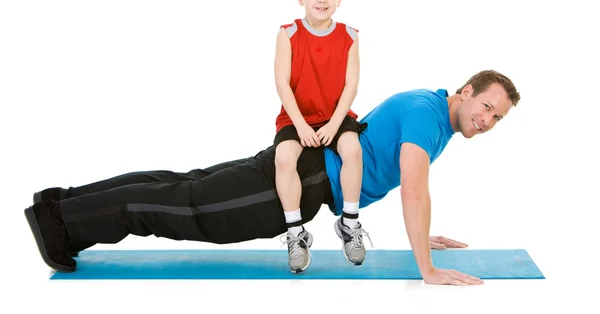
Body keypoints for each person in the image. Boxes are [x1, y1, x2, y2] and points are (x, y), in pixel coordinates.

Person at [25, 69, 520, 286]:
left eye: (497, 118)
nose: (488, 120)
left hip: (304, 168)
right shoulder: (429, 118)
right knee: (190, 208)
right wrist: (426, 268)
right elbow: (413, 188)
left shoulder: (433, 111)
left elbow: (387, 175)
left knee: (183, 187)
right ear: (467, 89)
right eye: (487, 107)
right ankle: (60, 223)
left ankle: (59, 206)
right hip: (305, 182)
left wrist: (422, 238)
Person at [273, 0, 366, 273]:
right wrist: (300, 125)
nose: (322, 0)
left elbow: (351, 85)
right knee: (284, 159)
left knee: (353, 150)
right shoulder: (288, 33)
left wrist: (335, 124)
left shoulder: (350, 36)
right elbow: (282, 84)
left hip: (336, 115)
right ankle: (295, 233)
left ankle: (350, 224)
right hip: (297, 117)